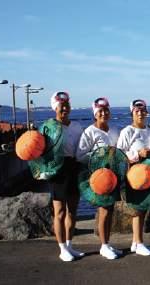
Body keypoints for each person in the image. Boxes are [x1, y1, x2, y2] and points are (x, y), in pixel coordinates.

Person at [76, 97, 121, 260]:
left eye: (106, 110)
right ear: (95, 114)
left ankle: (107, 243)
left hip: (114, 175)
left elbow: (119, 151)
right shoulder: (89, 132)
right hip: (99, 177)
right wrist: (98, 155)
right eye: (100, 111)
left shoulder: (114, 129)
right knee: (103, 210)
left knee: (110, 210)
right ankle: (103, 246)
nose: (104, 114)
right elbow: (79, 155)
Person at [42, 92, 85, 261]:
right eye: (61, 106)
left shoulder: (76, 126)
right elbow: (39, 151)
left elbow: (82, 149)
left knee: (73, 211)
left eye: (67, 105)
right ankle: (62, 249)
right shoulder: (48, 127)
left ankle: (69, 245)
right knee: (59, 212)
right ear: (55, 108)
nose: (65, 109)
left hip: (74, 167)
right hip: (57, 169)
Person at [116, 99, 150, 256]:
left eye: (142, 110)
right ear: (132, 113)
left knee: (144, 207)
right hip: (134, 173)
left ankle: (135, 242)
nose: (140, 113)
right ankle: (139, 243)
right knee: (138, 208)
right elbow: (119, 154)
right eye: (136, 111)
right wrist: (137, 155)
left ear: (146, 112)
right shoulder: (127, 131)